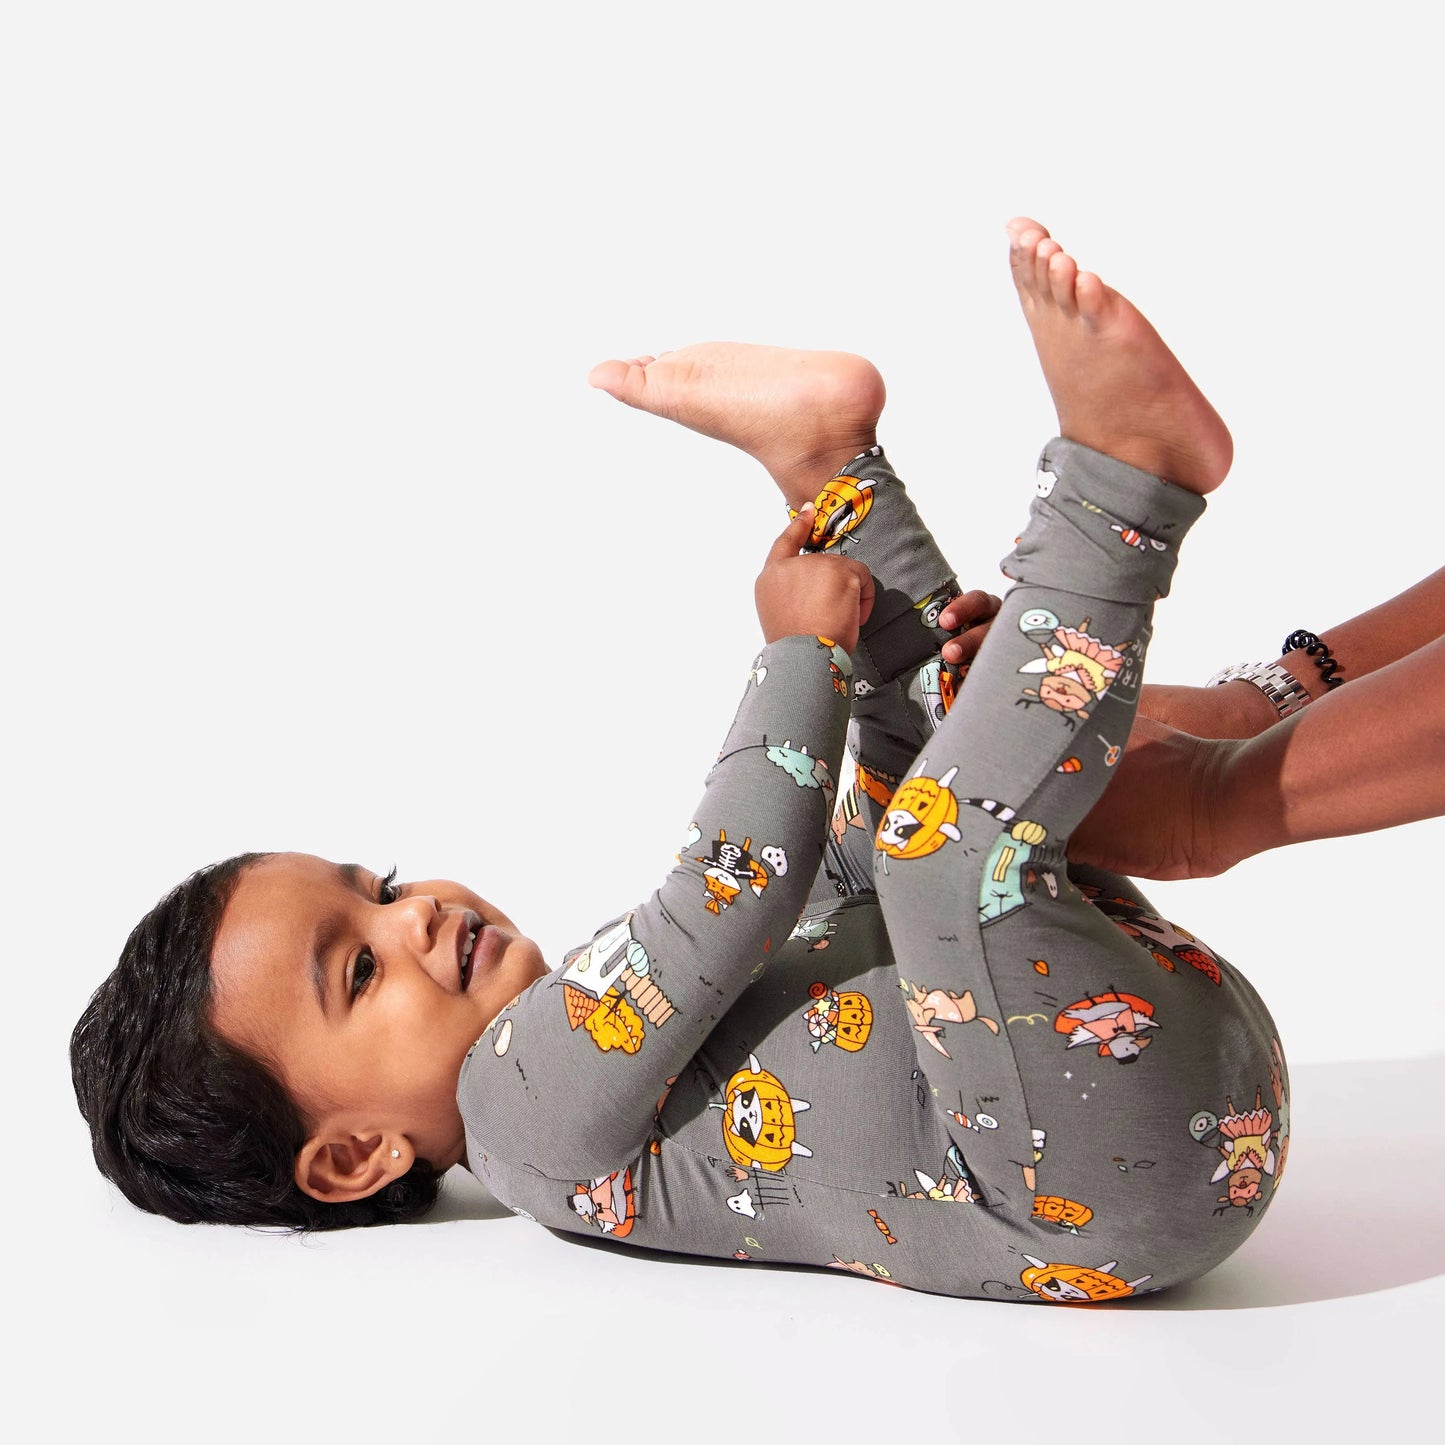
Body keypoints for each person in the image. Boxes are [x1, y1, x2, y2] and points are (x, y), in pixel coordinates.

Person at [72, 219, 1289, 1302]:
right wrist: (798, 654)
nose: (416, 916)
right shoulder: (513, 1116)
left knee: (895, 834)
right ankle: (1125, 485)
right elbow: (735, 879)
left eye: (379, 888)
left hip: (1103, 1074)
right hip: (1088, 1180)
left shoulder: (585, 1039)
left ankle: (832, 472)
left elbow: (816, 883)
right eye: (358, 968)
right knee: (935, 855)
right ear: (353, 1155)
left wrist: (907, 692)